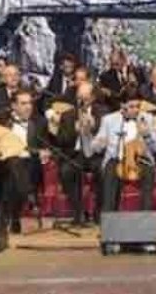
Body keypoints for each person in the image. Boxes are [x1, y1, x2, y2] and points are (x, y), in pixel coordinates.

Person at [93, 87, 156, 212]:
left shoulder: (148, 118)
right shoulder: (108, 120)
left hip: (141, 160)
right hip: (116, 159)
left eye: (138, 106)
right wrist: (99, 143)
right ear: (122, 106)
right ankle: (109, 217)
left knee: (149, 173)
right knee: (110, 172)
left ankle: (145, 218)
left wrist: (147, 134)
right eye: (131, 106)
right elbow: (96, 147)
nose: (136, 110)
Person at [0, 90, 50, 233]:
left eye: (30, 103)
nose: (28, 107)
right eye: (23, 103)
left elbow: (46, 146)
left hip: (30, 163)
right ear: (14, 106)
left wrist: (44, 152)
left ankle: (9, 216)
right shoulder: (2, 121)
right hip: (4, 163)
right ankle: (27, 199)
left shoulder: (39, 122)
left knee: (16, 171)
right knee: (13, 163)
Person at [55, 81, 108, 225]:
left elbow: (107, 138)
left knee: (104, 171)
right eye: (79, 97)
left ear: (92, 98)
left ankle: (98, 213)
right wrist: (74, 130)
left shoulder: (103, 113)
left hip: (95, 154)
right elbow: (60, 140)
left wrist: (94, 127)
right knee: (66, 171)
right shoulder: (67, 115)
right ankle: (78, 213)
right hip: (76, 154)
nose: (81, 101)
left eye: (84, 98)